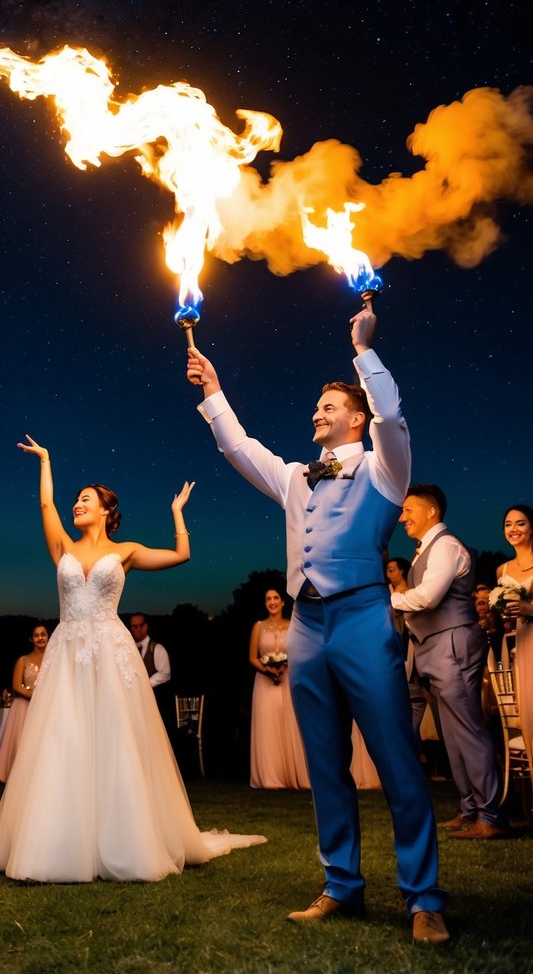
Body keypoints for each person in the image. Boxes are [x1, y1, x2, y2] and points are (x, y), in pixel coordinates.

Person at [187, 307, 448, 944]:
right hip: (305, 627)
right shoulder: (298, 478)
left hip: (362, 619)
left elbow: (392, 416)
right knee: (325, 765)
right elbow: (238, 448)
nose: (316, 413)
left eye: (327, 406)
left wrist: (363, 351)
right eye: (315, 406)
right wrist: (215, 391)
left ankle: (423, 898)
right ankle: (341, 886)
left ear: (354, 418)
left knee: (395, 762)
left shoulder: (386, 469)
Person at [0, 436, 266, 881]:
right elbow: (45, 506)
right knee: (64, 738)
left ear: (104, 510)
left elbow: (182, 554)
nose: (77, 504)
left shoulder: (126, 551)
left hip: (110, 651)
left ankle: (124, 839)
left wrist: (177, 514)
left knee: (114, 739)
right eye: (75, 499)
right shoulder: (63, 546)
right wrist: (45, 459)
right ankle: (58, 841)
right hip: (67, 650)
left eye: (85, 500)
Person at [393, 485, 506, 838]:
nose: (402, 517)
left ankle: (491, 815)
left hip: (453, 645)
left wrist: (388, 598)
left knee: (468, 730)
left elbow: (427, 597)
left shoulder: (446, 546)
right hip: (433, 649)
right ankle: (469, 808)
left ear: (431, 511)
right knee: (451, 736)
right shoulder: (424, 550)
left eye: (409, 509)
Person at [248, 588, 309, 789]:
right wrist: (267, 670)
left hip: (288, 678)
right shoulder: (258, 626)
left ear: (283, 602)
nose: (272, 602)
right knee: (268, 725)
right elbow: (252, 657)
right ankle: (271, 777)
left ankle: (294, 774)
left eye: (275, 598)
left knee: (291, 724)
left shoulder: (293, 625)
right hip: (265, 683)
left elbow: (300, 653)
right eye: (268, 599)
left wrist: (284, 666)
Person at [495, 504, 533, 768]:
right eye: (508, 524)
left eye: (520, 523)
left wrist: (530, 608)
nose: (513, 529)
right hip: (523, 645)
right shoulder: (503, 571)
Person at [0, 623, 49, 783]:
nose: (40, 638)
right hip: (24, 706)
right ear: (31, 639)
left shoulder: (54, 660)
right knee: (24, 742)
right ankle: (21, 777)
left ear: (48, 637)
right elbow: (16, 686)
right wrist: (35, 696)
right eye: (36, 635)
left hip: (47, 707)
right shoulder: (23, 660)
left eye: (43, 634)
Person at [128, 612, 174, 733]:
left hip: (154, 703)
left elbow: (165, 673)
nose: (136, 629)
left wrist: (145, 684)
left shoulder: (157, 648)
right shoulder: (128, 649)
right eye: (133, 626)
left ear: (145, 626)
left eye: (139, 625)